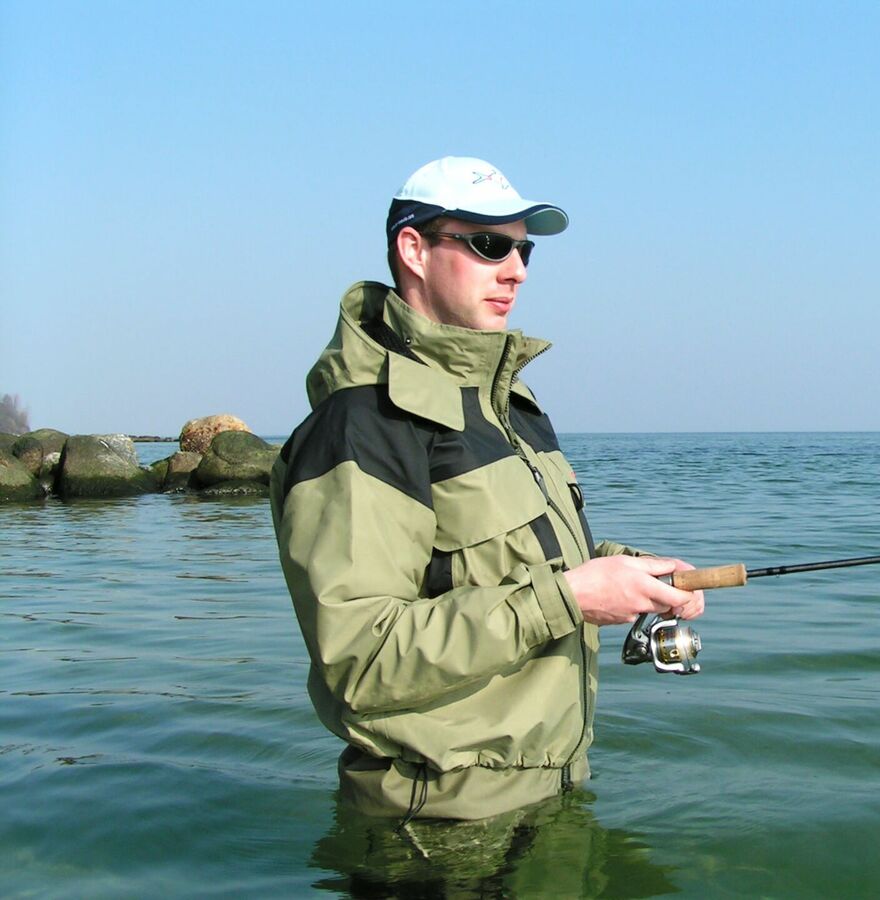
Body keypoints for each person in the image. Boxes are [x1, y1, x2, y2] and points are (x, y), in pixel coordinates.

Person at [270, 156, 704, 822]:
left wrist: (634, 574)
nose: (517, 270)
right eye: (488, 245)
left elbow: (519, 565)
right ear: (412, 250)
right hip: (439, 833)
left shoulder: (511, 406)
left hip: (550, 799)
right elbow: (362, 660)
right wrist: (571, 598)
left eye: (523, 249)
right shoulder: (361, 426)